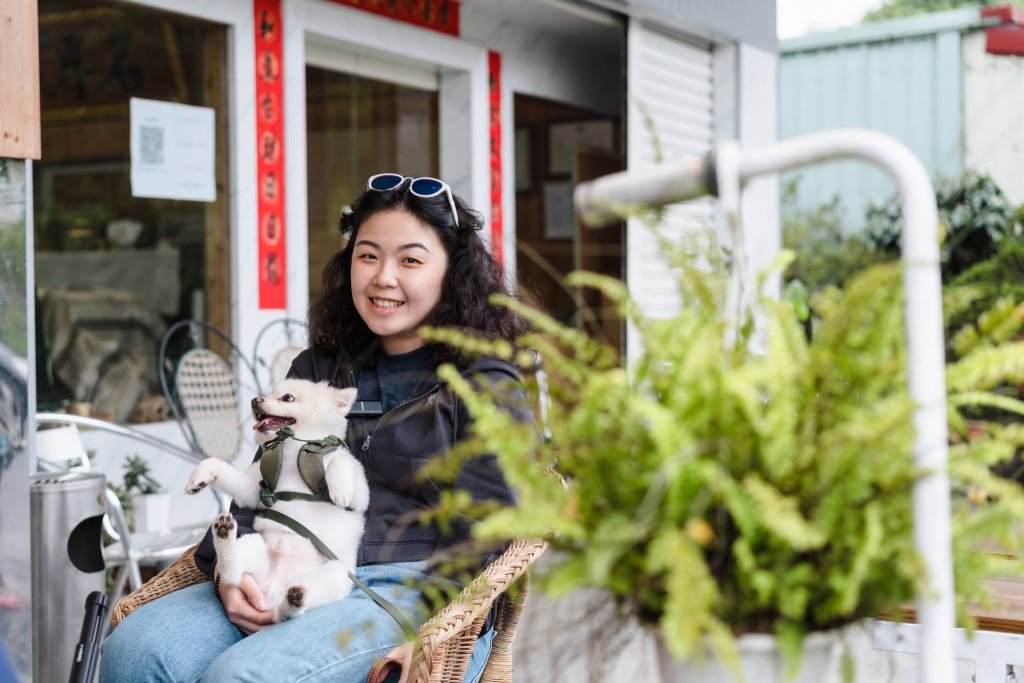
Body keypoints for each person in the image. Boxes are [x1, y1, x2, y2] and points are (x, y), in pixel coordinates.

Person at [100, 174, 534, 682]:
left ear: (453, 272)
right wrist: (228, 574)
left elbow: (494, 533)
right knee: (134, 652)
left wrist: (439, 631)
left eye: (410, 260)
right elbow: (263, 480)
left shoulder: (482, 382)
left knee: (245, 676)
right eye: (368, 255)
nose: (383, 277)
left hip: (409, 591)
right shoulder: (319, 366)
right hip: (286, 558)